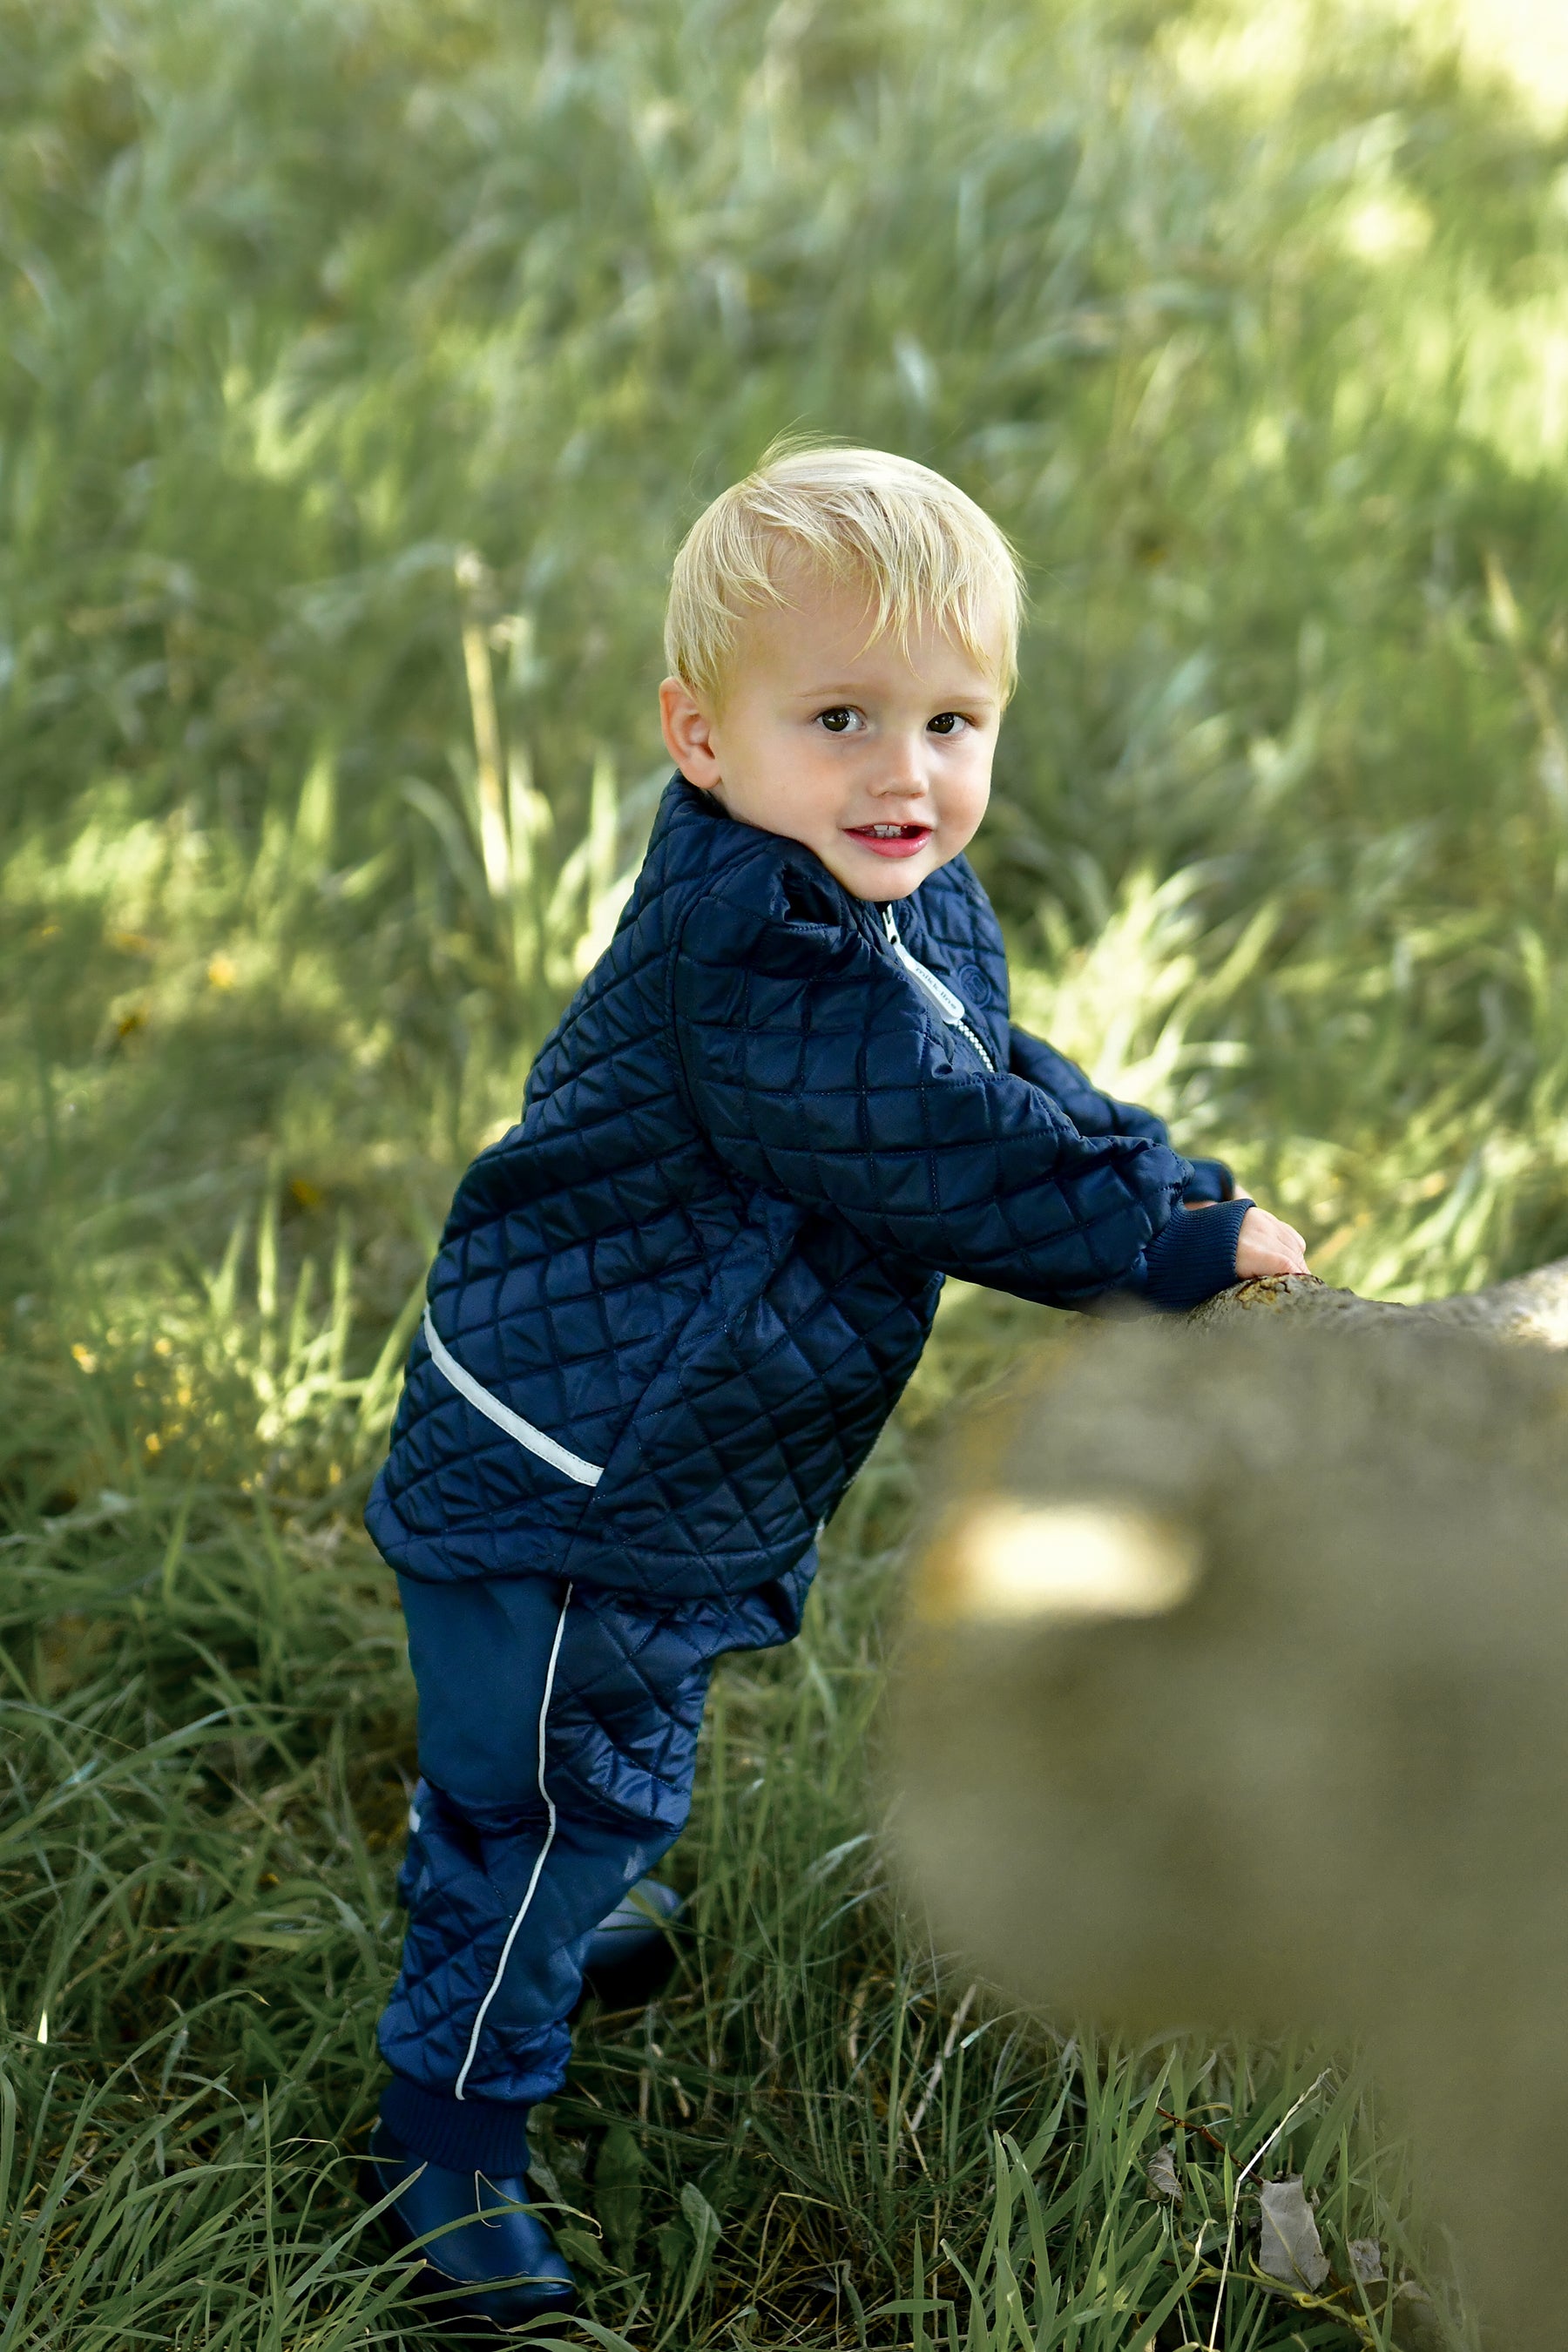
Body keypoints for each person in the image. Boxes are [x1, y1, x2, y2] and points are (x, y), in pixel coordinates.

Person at [359, 443, 1309, 2324]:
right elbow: (933, 1147)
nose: (907, 773)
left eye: (952, 722)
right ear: (701, 739)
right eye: (844, 718)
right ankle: (443, 2132)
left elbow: (993, 1070)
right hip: (572, 1470)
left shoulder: (900, 895)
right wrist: (1148, 1249)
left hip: (668, 1455)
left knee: (602, 1741)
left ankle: (548, 1897)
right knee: (549, 1794)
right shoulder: (754, 950)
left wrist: (1160, 1175)